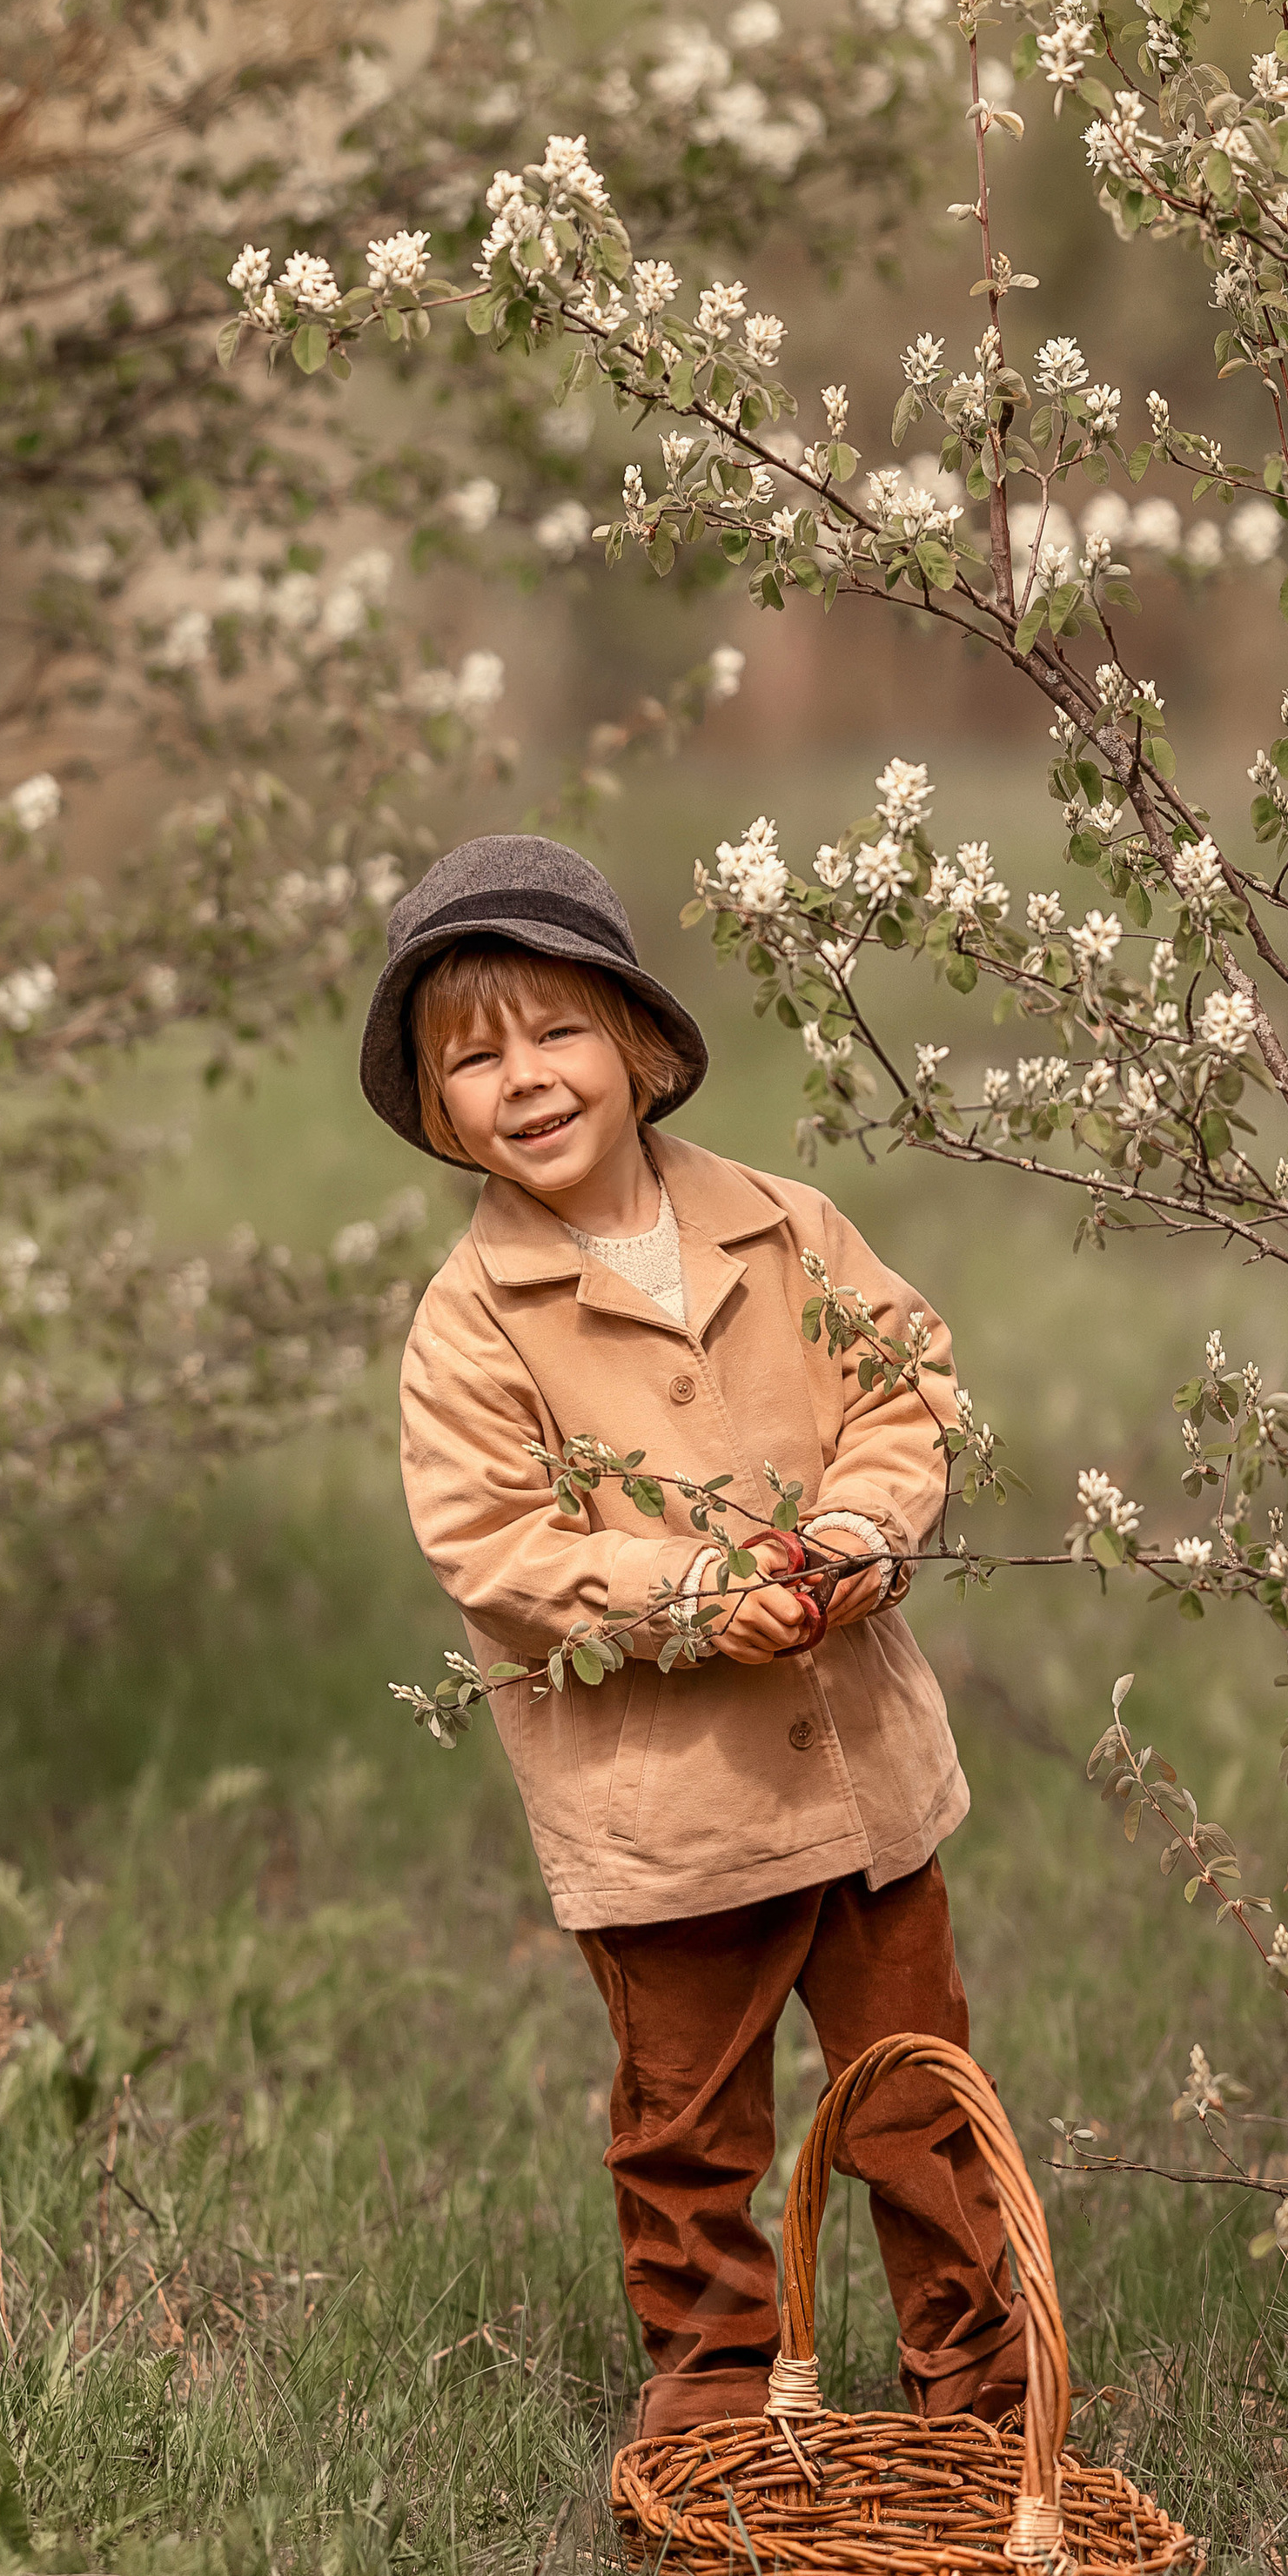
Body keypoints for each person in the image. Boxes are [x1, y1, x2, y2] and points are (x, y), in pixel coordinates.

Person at [361, 834, 1026, 2442]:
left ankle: (983, 2397)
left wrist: (863, 1528)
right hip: (672, 1823)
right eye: (473, 1056)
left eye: (555, 1031)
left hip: (864, 1786)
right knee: (689, 2127)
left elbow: (904, 1382)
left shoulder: (783, 1223)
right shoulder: (473, 1322)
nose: (523, 1078)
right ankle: (719, 2404)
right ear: (439, 1109)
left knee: (919, 2101)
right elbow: (494, 1542)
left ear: (636, 1042)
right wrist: (686, 1595)